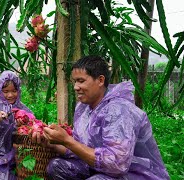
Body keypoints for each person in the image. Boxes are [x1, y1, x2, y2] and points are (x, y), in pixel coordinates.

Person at [33, 56, 169, 179]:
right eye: (74, 82)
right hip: (102, 170)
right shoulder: (83, 108)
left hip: (135, 175)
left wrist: (67, 141)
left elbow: (117, 165)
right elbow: (82, 148)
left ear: (100, 80)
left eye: (81, 81)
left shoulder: (118, 110)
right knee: (58, 167)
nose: (75, 87)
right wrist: (55, 144)